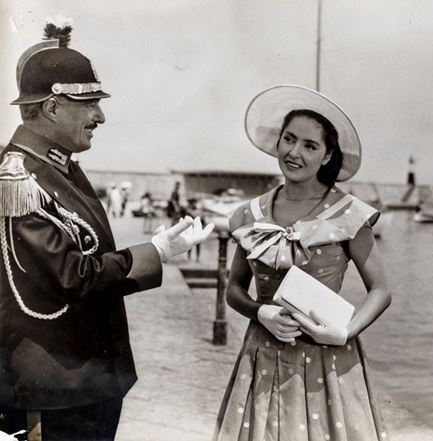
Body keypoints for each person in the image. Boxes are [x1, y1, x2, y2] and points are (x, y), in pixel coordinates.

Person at [0, 20, 213, 441]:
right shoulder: (18, 179)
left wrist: (157, 248)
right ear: (52, 106)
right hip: (54, 389)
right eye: (90, 102)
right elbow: (72, 276)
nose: (100, 115)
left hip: (86, 383)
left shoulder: (56, 168)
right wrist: (155, 252)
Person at [213, 85, 392, 440]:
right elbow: (233, 289)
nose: (294, 153)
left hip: (329, 359)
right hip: (262, 355)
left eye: (310, 146)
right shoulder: (250, 213)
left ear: (327, 157)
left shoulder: (347, 213)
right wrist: (258, 312)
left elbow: (381, 291)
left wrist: (345, 331)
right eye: (289, 139)